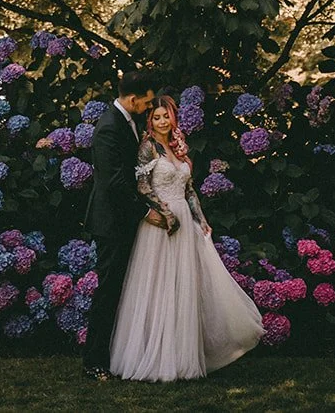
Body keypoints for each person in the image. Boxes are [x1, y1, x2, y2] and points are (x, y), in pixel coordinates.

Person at [109, 95, 264, 382]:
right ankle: (156, 357)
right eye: (156, 117)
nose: (162, 121)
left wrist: (201, 220)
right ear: (150, 121)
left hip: (186, 221)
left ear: (173, 118)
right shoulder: (148, 148)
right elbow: (143, 187)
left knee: (185, 289)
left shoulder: (177, 149)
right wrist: (164, 213)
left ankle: (183, 356)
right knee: (159, 288)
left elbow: (189, 190)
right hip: (161, 225)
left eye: (166, 116)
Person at [81, 67, 157, 380]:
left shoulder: (128, 121)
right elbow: (114, 181)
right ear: (132, 98)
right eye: (147, 102)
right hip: (111, 222)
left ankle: (117, 354)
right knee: (108, 290)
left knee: (119, 290)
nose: (150, 107)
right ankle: (94, 362)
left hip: (121, 220)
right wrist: (145, 211)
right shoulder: (109, 127)